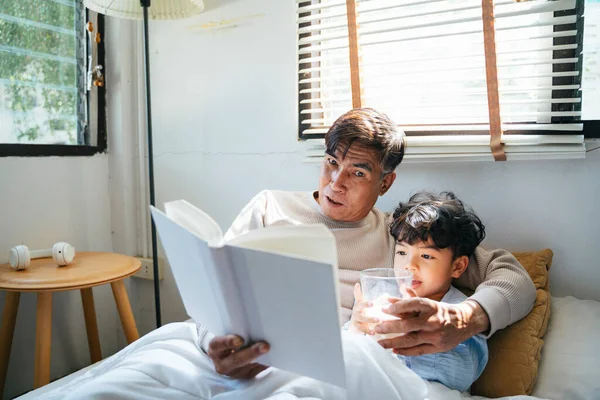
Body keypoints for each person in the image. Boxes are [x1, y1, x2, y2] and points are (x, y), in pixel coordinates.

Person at [200, 108, 536, 380]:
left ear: (385, 183)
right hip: (242, 358)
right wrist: (211, 342)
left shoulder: (400, 236)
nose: (336, 183)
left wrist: (466, 317)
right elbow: (213, 288)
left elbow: (513, 276)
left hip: (330, 369)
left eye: (358, 173)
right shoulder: (269, 206)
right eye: (332, 162)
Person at [348, 191, 489, 392]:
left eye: (426, 256)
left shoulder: (460, 311)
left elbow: (463, 373)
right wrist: (355, 327)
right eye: (402, 252)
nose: (409, 266)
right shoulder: (378, 295)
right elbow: (345, 352)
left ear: (457, 267)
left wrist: (410, 337)